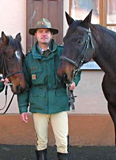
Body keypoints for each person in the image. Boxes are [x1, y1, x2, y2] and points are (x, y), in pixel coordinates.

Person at [17, 18, 81, 160]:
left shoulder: (62, 53)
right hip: (38, 105)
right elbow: (25, 85)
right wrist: (22, 108)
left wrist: (74, 81)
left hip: (59, 103)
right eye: (41, 31)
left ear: (51, 34)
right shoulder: (29, 59)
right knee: (41, 142)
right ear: (36, 35)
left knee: (62, 142)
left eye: (47, 31)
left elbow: (76, 70)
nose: (44, 34)